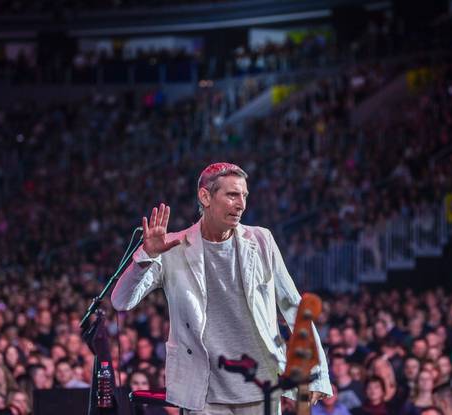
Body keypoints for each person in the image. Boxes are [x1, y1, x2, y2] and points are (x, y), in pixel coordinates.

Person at [111, 163, 332, 413]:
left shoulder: (261, 240)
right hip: (202, 393)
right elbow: (121, 301)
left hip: (260, 388)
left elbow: (294, 306)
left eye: (244, 196)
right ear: (205, 196)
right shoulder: (173, 247)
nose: (241, 204)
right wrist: (146, 257)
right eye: (232, 195)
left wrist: (317, 372)